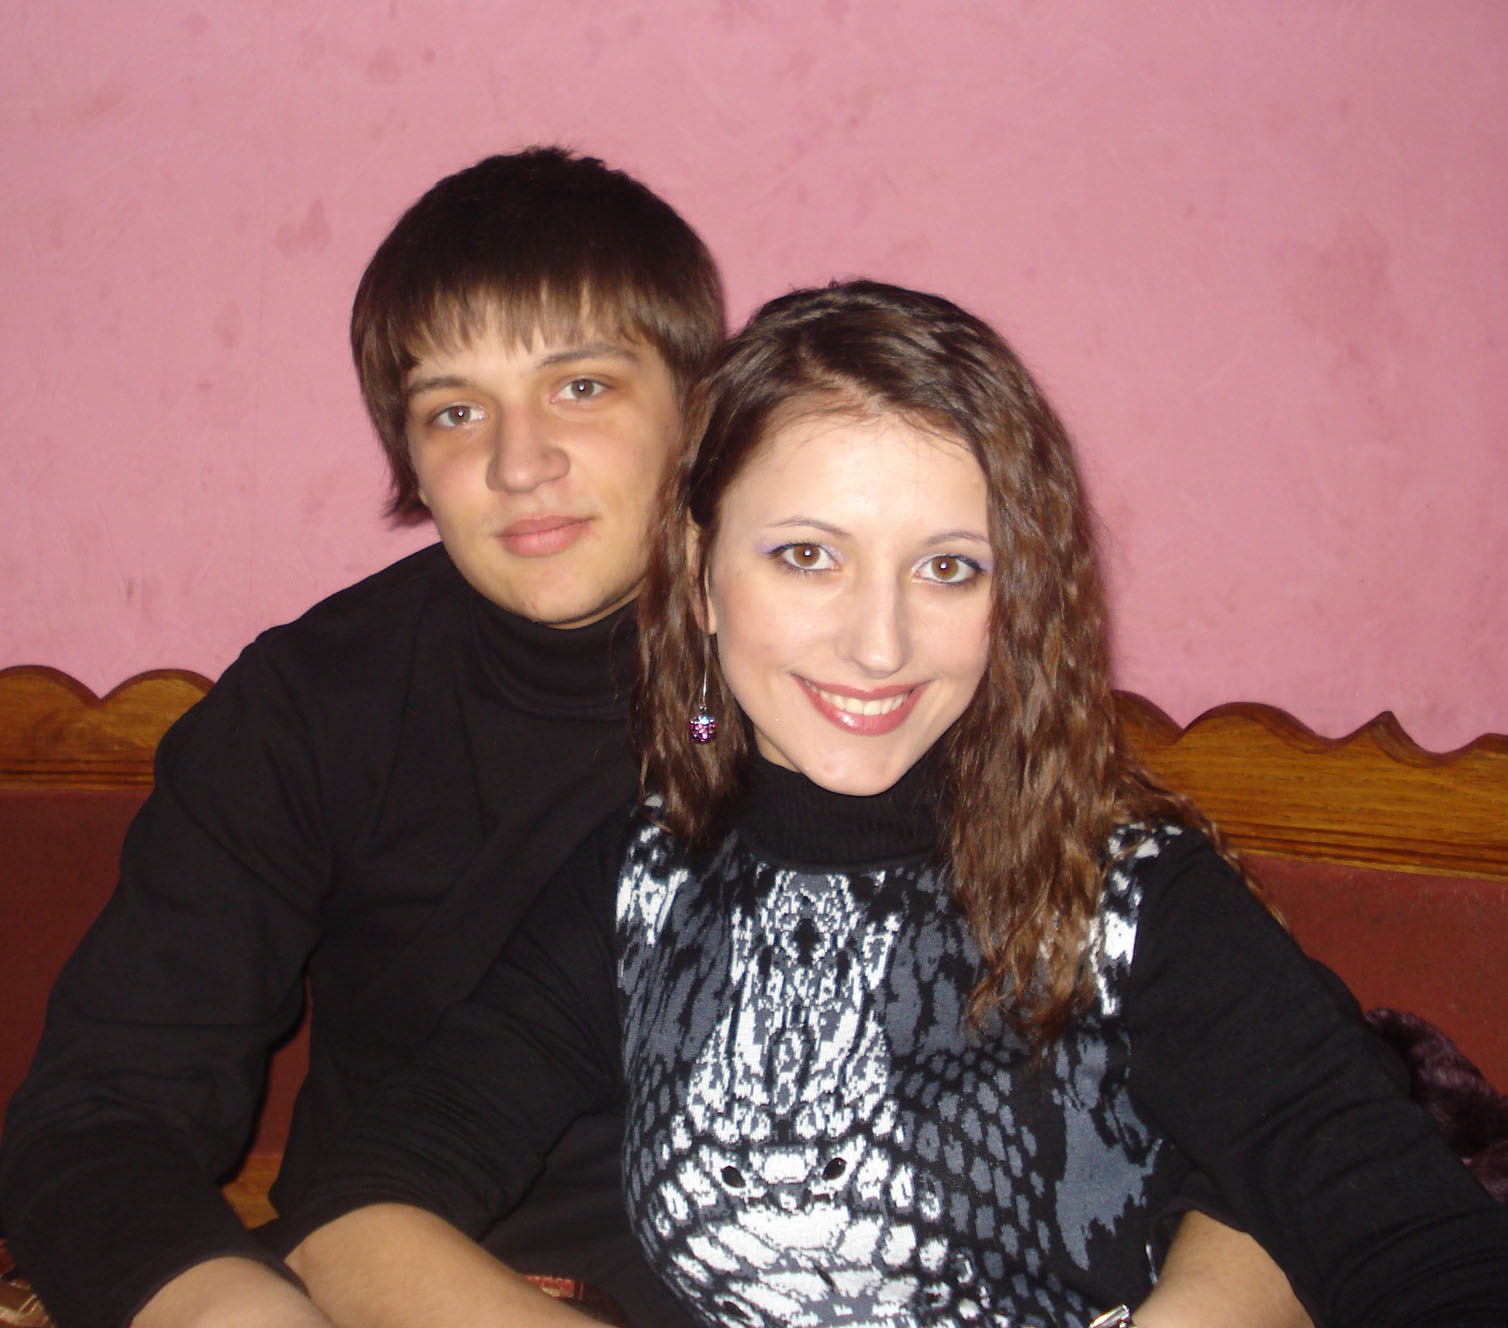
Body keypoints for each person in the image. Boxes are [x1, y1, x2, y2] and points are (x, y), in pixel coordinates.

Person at [278, 281, 1508, 1327]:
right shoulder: (645, 876)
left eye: (948, 566)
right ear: (698, 572)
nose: (879, 642)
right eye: (806, 554)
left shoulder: (1130, 891)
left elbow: (1422, 1248)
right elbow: (354, 1205)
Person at [0, 147, 721, 1328]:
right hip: (370, 1285)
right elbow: (99, 1114)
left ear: (695, 408)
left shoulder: (827, 677)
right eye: (454, 410)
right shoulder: (309, 705)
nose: (518, 462)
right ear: (412, 459)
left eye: (581, 386)